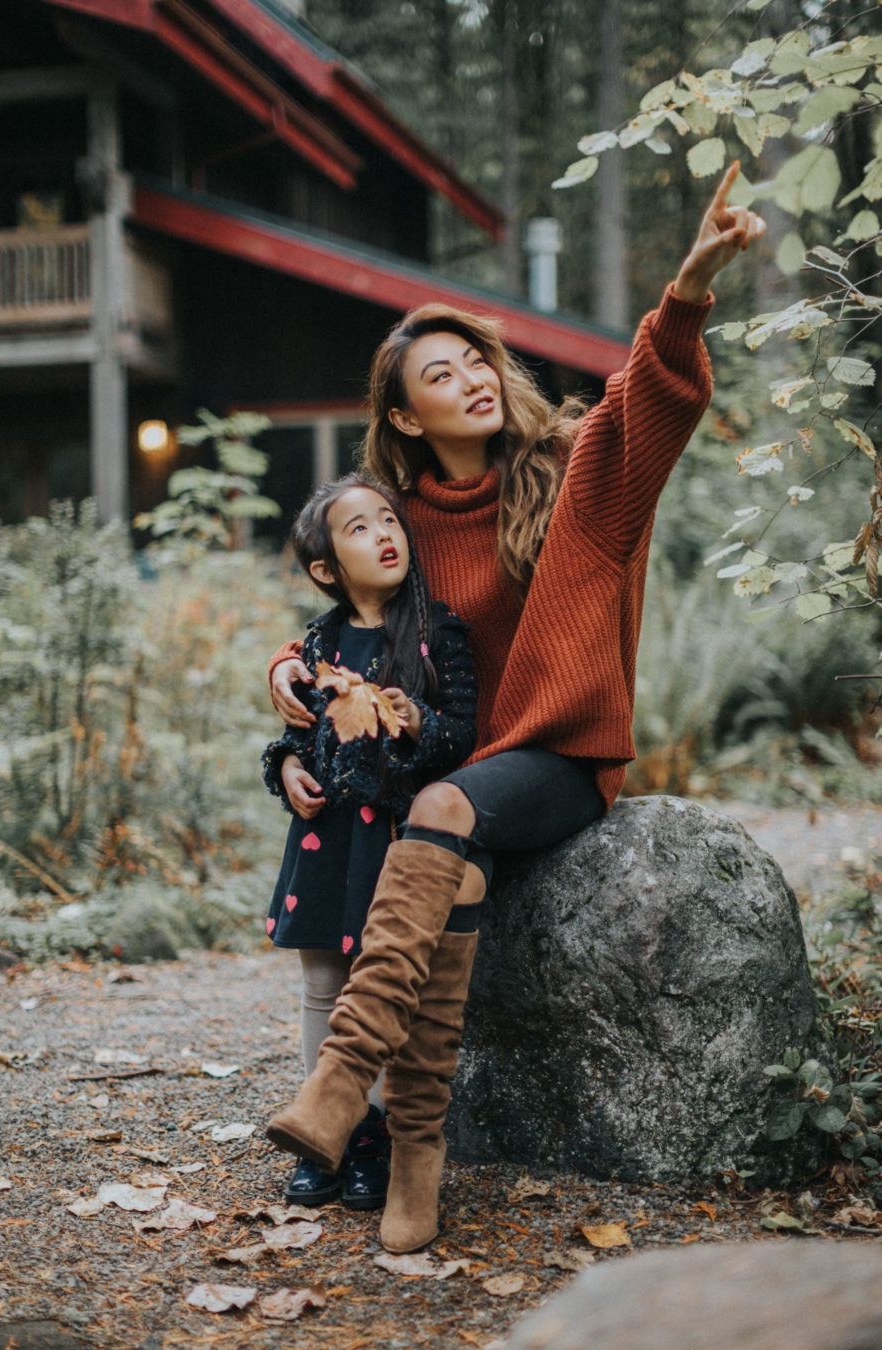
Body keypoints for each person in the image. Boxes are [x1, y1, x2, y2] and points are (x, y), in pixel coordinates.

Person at [265, 164, 767, 1253]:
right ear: (405, 413)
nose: (476, 379)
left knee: (442, 812)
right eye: (442, 375)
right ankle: (418, 1165)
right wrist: (289, 690)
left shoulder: (574, 467)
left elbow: (656, 403)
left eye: (478, 358)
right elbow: (337, 626)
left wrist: (686, 288)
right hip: (462, 786)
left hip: (557, 761)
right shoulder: (394, 524)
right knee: (454, 864)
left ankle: (342, 1087)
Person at [261, 474, 477, 1212]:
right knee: (322, 983)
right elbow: (290, 740)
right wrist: (287, 767)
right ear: (326, 569)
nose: (384, 534)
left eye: (389, 519)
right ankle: (320, 1131)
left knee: (375, 988)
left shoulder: (436, 632)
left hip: (389, 838)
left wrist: (415, 719)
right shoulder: (315, 643)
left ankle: (370, 1135)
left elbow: (462, 734)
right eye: (359, 528)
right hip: (323, 839)